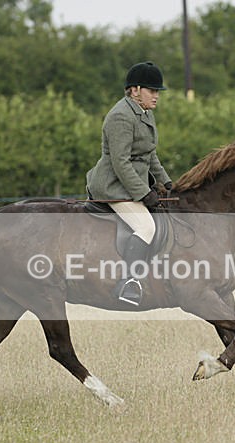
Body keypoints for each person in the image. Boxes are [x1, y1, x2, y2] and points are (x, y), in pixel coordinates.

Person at [86, 61, 173, 306]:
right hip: (112, 186)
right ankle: (129, 283)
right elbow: (121, 163)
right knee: (146, 227)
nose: (156, 96)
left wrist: (167, 183)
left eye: (158, 91)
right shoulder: (121, 117)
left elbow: (150, 154)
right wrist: (144, 193)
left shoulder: (145, 113)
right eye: (152, 90)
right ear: (135, 90)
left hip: (129, 184)